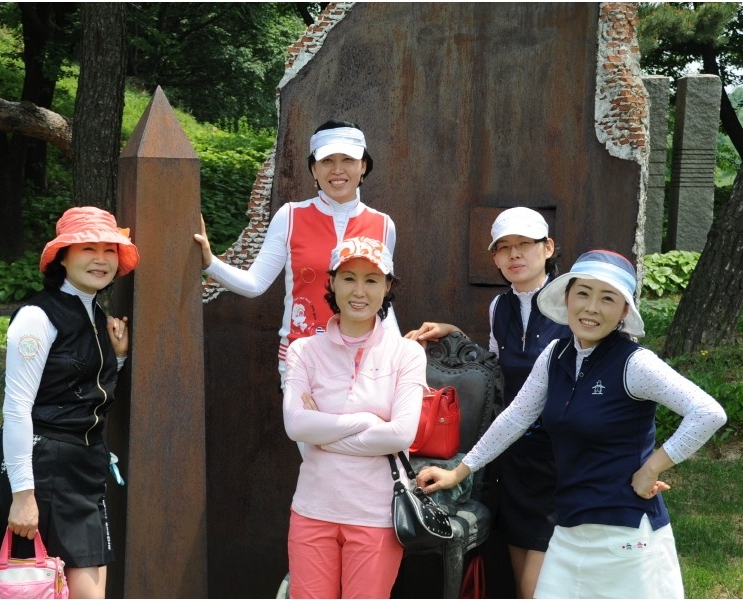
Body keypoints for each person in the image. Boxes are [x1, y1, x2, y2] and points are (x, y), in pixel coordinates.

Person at [416, 249, 727, 599]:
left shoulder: (635, 364)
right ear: (567, 298)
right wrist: (460, 472)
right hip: (568, 526)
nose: (591, 307)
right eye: (583, 293)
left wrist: (651, 468)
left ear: (624, 311)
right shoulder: (556, 355)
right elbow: (516, 417)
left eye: (607, 298)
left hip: (624, 530)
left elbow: (708, 413)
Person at [0, 206, 140, 599]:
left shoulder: (95, 313)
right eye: (88, 248)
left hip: (85, 467)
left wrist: (117, 358)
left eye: (110, 250)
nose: (101, 259)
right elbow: (17, 408)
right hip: (42, 468)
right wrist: (23, 497)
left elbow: (77, 386)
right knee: (34, 589)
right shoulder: (36, 316)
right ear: (62, 257)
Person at [404, 207, 567, 598]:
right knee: (519, 562)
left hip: (559, 454)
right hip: (512, 450)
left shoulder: (571, 302)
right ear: (494, 257)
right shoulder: (500, 306)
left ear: (547, 248)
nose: (514, 254)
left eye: (524, 244)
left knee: (541, 580)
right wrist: (454, 333)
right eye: (503, 247)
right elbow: (497, 365)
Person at [194, 120, 401, 387]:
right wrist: (210, 262)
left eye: (348, 159)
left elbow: (382, 302)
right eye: (327, 161)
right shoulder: (291, 216)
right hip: (303, 361)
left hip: (368, 362)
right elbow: (255, 284)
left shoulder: (383, 225)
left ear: (363, 166)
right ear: (314, 169)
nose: (337, 170)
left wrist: (399, 357)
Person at [282, 236, 427, 598]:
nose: (359, 291)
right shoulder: (303, 350)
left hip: (376, 515)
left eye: (371, 280)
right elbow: (296, 425)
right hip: (312, 510)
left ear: (387, 286)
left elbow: (400, 435)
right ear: (331, 282)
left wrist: (323, 433)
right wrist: (369, 423)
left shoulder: (407, 353)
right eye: (348, 278)